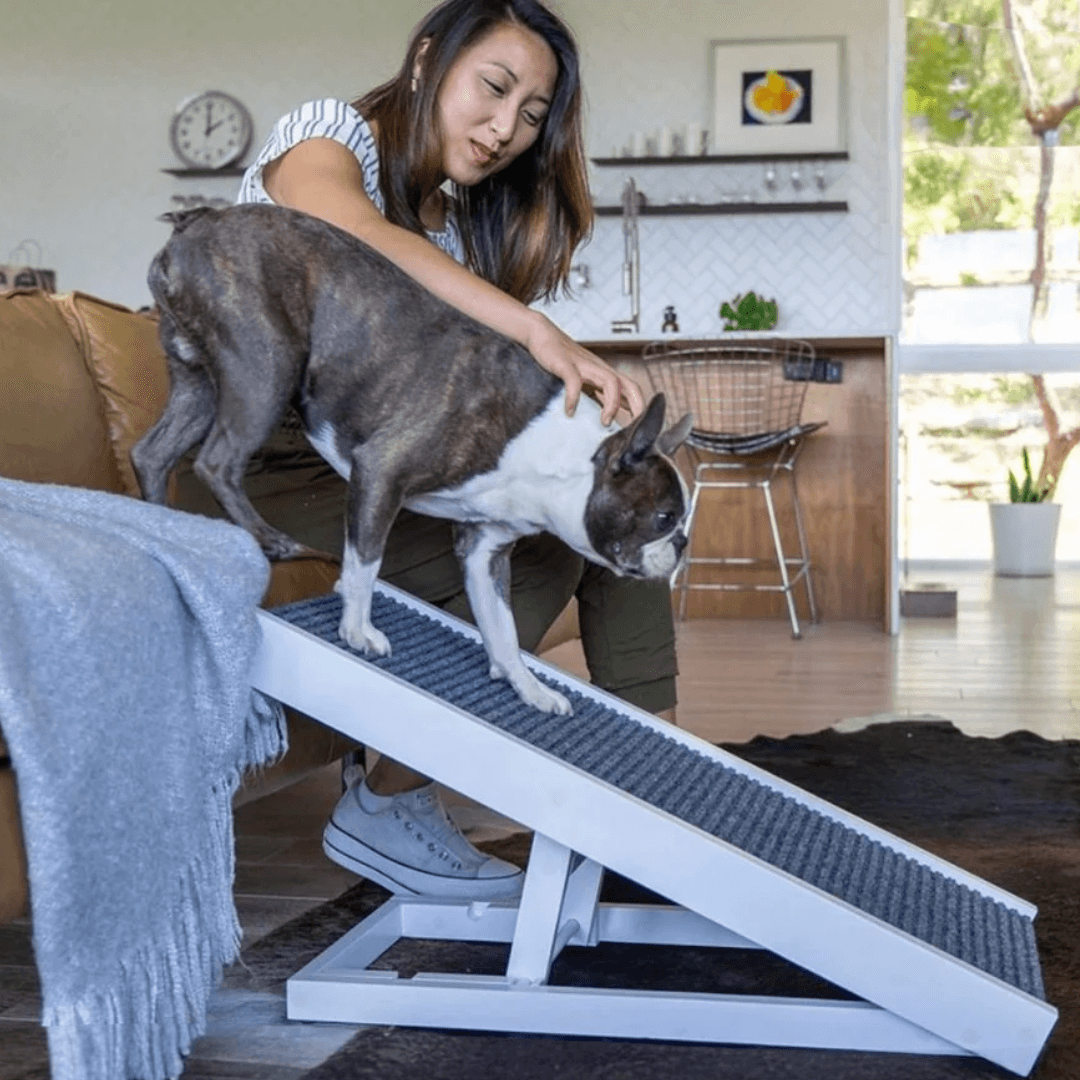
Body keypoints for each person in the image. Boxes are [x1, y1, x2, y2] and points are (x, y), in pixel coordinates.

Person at [237, 0, 678, 900]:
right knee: (543, 547)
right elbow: (351, 236)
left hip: (374, 456)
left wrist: (602, 424)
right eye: (494, 87)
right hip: (267, 454)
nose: (505, 128)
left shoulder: (454, 228)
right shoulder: (328, 138)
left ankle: (656, 783)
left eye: (529, 115)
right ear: (429, 58)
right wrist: (537, 329)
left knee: (605, 521)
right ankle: (388, 804)